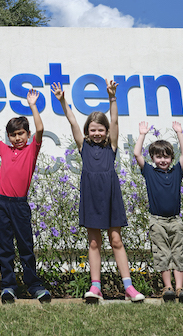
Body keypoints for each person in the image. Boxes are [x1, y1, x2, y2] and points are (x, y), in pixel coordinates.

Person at [51, 79, 146, 303]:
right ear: (87, 131)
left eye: (100, 130)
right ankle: (96, 287)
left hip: (111, 195)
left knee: (116, 241)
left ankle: (128, 287)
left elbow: (114, 119)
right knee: (94, 242)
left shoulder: (111, 146)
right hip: (91, 196)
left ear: (106, 132)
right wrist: (63, 101)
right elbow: (72, 121)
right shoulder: (83, 146)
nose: (96, 133)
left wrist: (112, 97)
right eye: (92, 130)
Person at [0, 90, 51, 304]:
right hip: (2, 203)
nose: (17, 138)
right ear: (9, 137)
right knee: (5, 246)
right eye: (13, 135)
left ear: (27, 134)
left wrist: (33, 105)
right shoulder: (5, 150)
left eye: (21, 134)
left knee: (25, 246)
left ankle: (34, 285)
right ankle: (8, 286)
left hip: (20, 205)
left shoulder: (32, 150)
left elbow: (40, 129)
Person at [133, 119, 183, 303]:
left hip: (175, 220)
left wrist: (179, 132)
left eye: (166, 157)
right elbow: (136, 153)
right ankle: (168, 288)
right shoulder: (149, 172)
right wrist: (142, 134)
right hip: (157, 220)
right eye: (159, 157)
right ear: (153, 159)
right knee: (162, 253)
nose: (163, 160)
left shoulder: (176, 172)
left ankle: (180, 287)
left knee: (178, 253)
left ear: (171, 159)